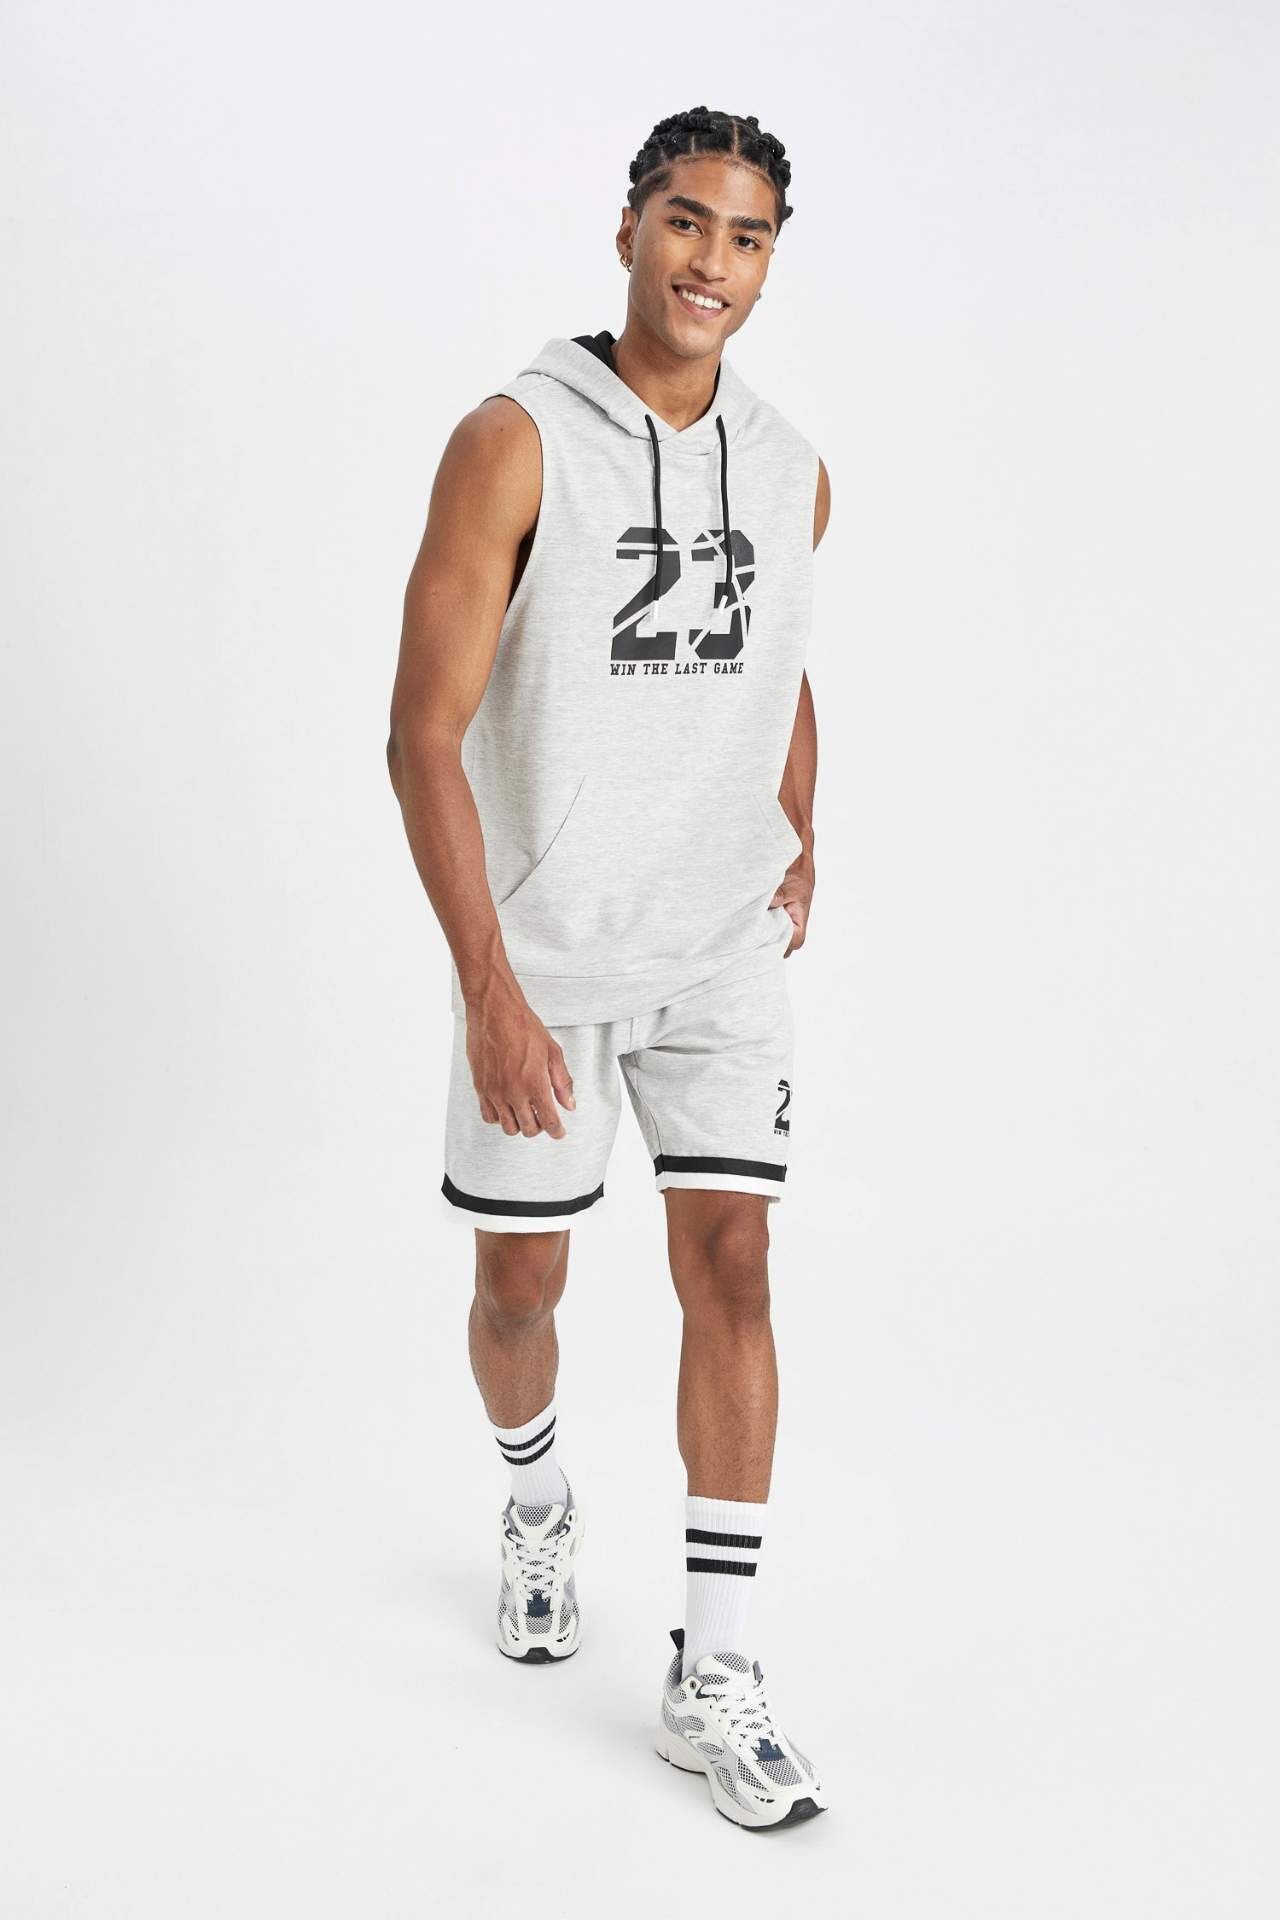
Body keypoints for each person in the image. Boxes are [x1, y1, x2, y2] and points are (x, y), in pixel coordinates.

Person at [387, 105, 831, 1830]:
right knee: (522, 1292)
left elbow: (779, 656)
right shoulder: (513, 442)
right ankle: (534, 1502)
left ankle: (714, 1667)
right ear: (631, 226)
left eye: (747, 234)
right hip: (551, 962)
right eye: (687, 221)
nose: (712, 261)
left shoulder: (791, 465)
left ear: (770, 260)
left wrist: (803, 830)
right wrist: (491, 990)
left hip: (715, 947)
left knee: (737, 1269)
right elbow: (423, 737)